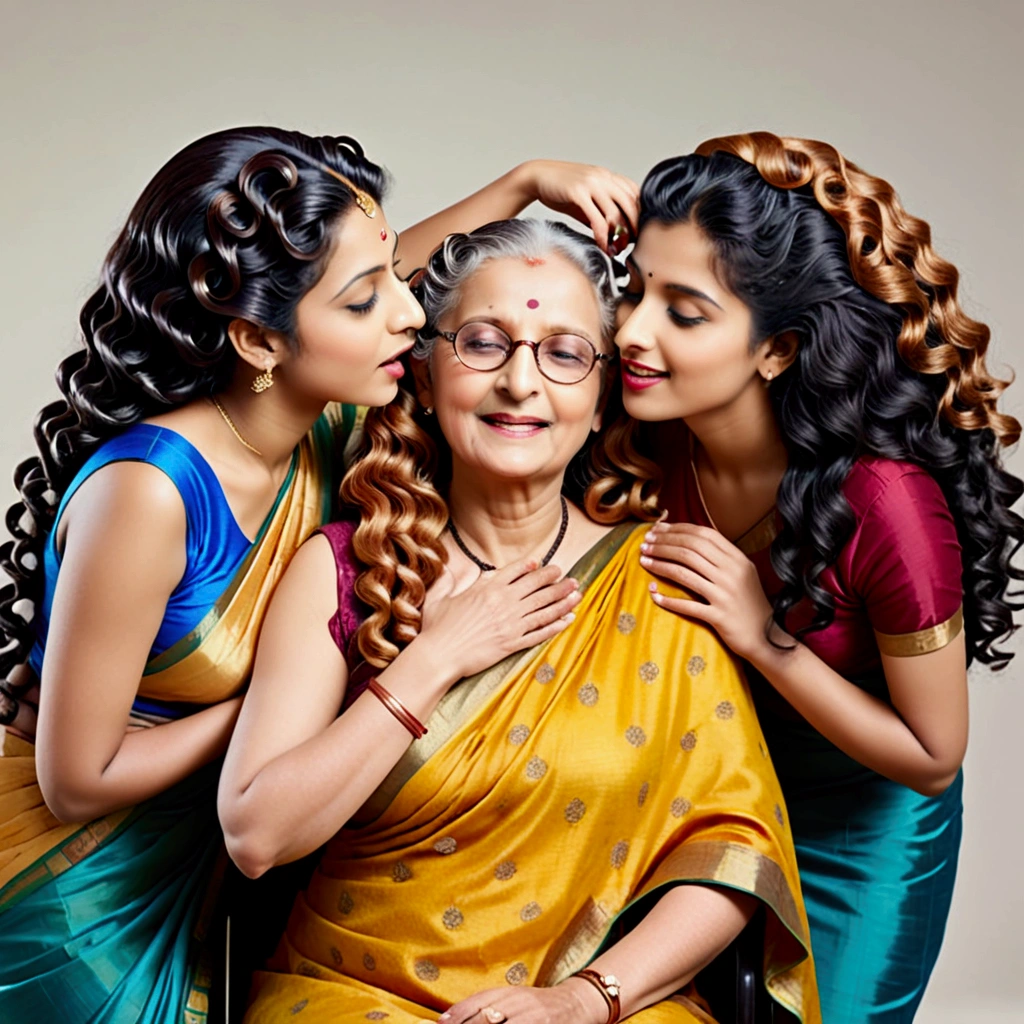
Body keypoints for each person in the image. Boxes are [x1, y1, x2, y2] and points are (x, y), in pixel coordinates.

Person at [0, 125, 639, 1023]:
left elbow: (360, 280)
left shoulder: (315, 428)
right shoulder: (150, 492)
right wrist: (274, 702)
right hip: (73, 902)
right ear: (260, 341)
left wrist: (524, 183)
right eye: (367, 302)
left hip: (200, 869)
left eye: (392, 284)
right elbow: (76, 779)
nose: (411, 315)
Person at [217, 218, 820, 1024]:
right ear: (425, 376)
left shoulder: (663, 576)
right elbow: (256, 838)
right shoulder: (345, 571)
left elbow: (735, 856)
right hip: (355, 994)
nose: (520, 382)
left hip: (601, 1006)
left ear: (604, 392)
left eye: (565, 352)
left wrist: (583, 999)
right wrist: (433, 659)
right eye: (483, 343)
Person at [613, 132, 1023, 1023]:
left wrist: (764, 636)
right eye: (636, 287)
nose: (630, 332)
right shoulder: (644, 431)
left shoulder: (889, 504)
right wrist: (521, 182)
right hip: (701, 805)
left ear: (777, 349)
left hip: (859, 827)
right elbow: (370, 325)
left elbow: (932, 755)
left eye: (683, 311)